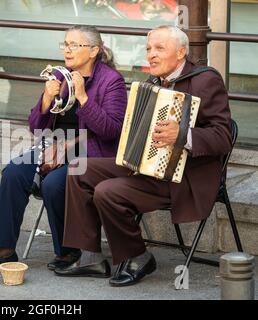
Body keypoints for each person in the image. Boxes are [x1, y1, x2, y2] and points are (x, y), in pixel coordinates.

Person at [55, 25, 233, 286]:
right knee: (79, 168)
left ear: (182, 52)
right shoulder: (152, 83)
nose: (151, 54)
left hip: (185, 176)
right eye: (149, 48)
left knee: (108, 191)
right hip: (147, 166)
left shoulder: (205, 80)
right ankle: (89, 256)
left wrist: (183, 135)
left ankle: (138, 256)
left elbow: (223, 137)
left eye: (160, 48)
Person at [0, 25, 127, 273]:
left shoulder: (112, 82)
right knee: (13, 172)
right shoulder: (61, 76)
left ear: (93, 51)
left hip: (92, 153)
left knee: (55, 182)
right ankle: (5, 248)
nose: (67, 50)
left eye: (74, 45)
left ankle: (69, 251)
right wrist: (46, 99)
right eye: (65, 44)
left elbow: (112, 131)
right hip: (52, 146)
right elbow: (36, 128)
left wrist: (83, 98)